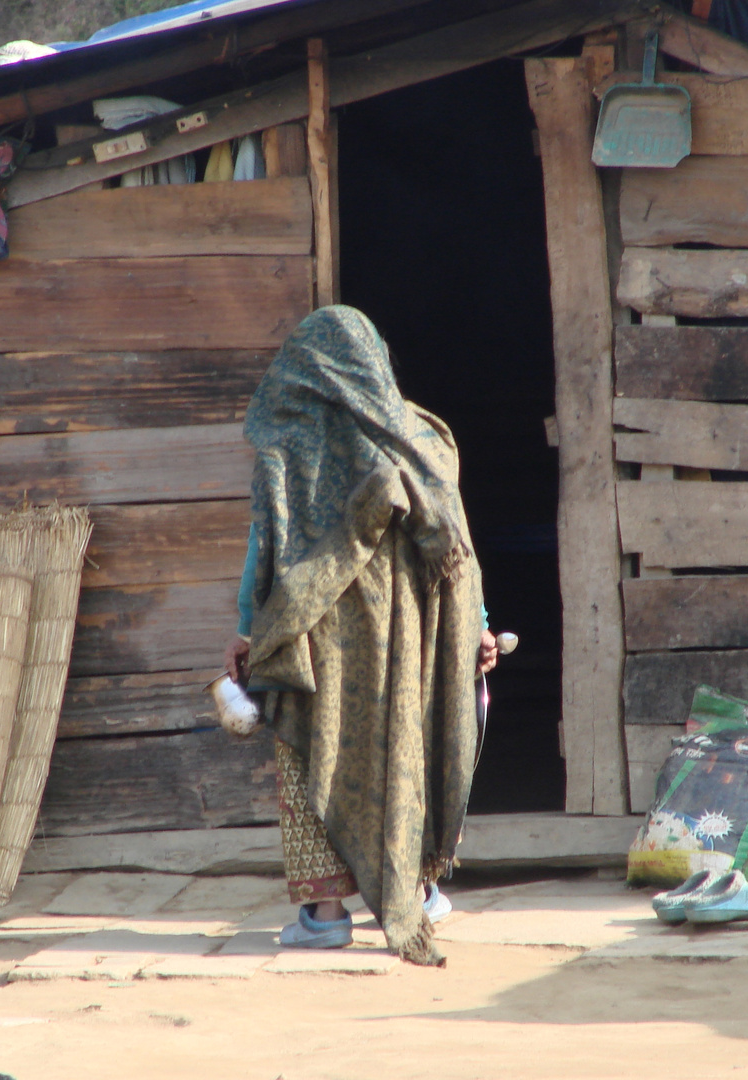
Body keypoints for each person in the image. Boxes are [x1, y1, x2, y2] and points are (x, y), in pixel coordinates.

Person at [223, 305, 496, 967]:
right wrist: (480, 627)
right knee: (407, 741)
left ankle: (323, 914)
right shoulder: (420, 437)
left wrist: (244, 630)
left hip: (318, 639)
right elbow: (457, 548)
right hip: (413, 636)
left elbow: (267, 548)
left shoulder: (289, 442)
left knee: (318, 750)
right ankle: (419, 888)